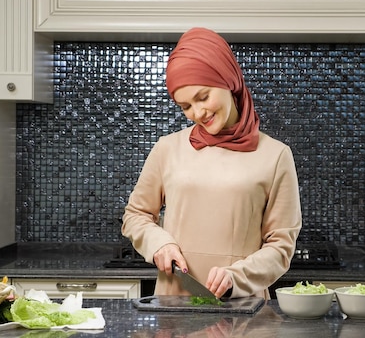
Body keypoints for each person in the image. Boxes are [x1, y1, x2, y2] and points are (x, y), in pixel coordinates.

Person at [121, 27, 302, 299]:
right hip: (174, 303)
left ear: (228, 80)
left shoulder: (276, 155)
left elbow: (281, 247)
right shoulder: (167, 148)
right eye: (185, 106)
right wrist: (159, 243)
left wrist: (236, 277)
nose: (197, 113)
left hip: (242, 307)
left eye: (203, 97)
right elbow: (135, 216)